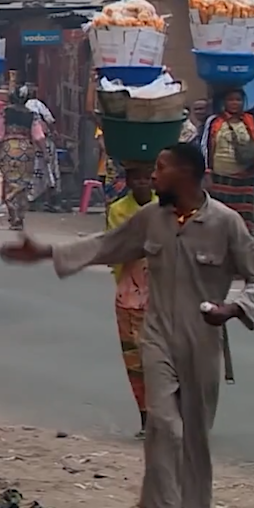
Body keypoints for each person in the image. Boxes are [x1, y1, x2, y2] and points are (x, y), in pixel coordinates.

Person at [1, 142, 254, 508]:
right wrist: (45, 252)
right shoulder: (151, 217)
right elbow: (106, 246)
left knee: (195, 435)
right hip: (156, 331)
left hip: (202, 337)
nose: (153, 176)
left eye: (161, 167)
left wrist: (233, 308)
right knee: (163, 422)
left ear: (186, 173)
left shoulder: (225, 222)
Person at [107, 161, 155, 439]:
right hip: (130, 291)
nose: (142, 183)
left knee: (162, 359)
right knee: (135, 360)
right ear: (128, 181)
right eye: (136, 178)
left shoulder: (168, 208)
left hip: (162, 294)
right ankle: (146, 417)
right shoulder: (118, 211)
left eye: (147, 177)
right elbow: (120, 248)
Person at [199, 87, 254, 235]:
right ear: (223, 102)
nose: (234, 103)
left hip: (245, 179)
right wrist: (207, 172)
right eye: (230, 99)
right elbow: (204, 146)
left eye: (238, 100)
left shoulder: (249, 119)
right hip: (220, 177)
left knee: (243, 219)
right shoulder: (214, 121)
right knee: (219, 215)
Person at [0, 96, 38, 231]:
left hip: (8, 148)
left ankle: (14, 218)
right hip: (27, 149)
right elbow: (39, 136)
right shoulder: (31, 115)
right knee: (23, 185)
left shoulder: (5, 113)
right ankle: (21, 217)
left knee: (10, 184)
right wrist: (43, 153)